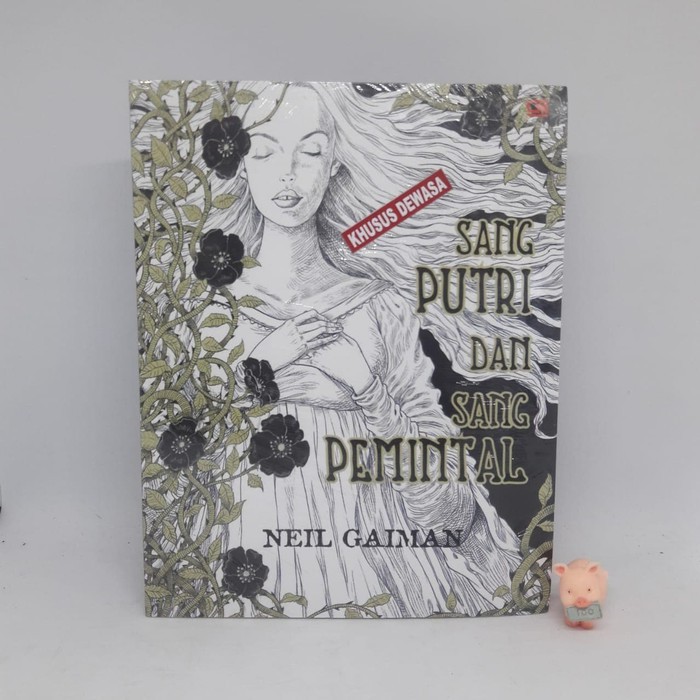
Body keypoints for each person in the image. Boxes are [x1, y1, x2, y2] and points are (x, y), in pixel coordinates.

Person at [192, 82, 553, 617]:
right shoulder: (204, 309)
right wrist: (263, 365)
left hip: (381, 570)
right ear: (240, 163)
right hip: (245, 557)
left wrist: (368, 391)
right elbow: (177, 452)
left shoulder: (380, 306)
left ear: (335, 164)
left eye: (310, 152)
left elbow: (450, 509)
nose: (287, 173)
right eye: (264, 151)